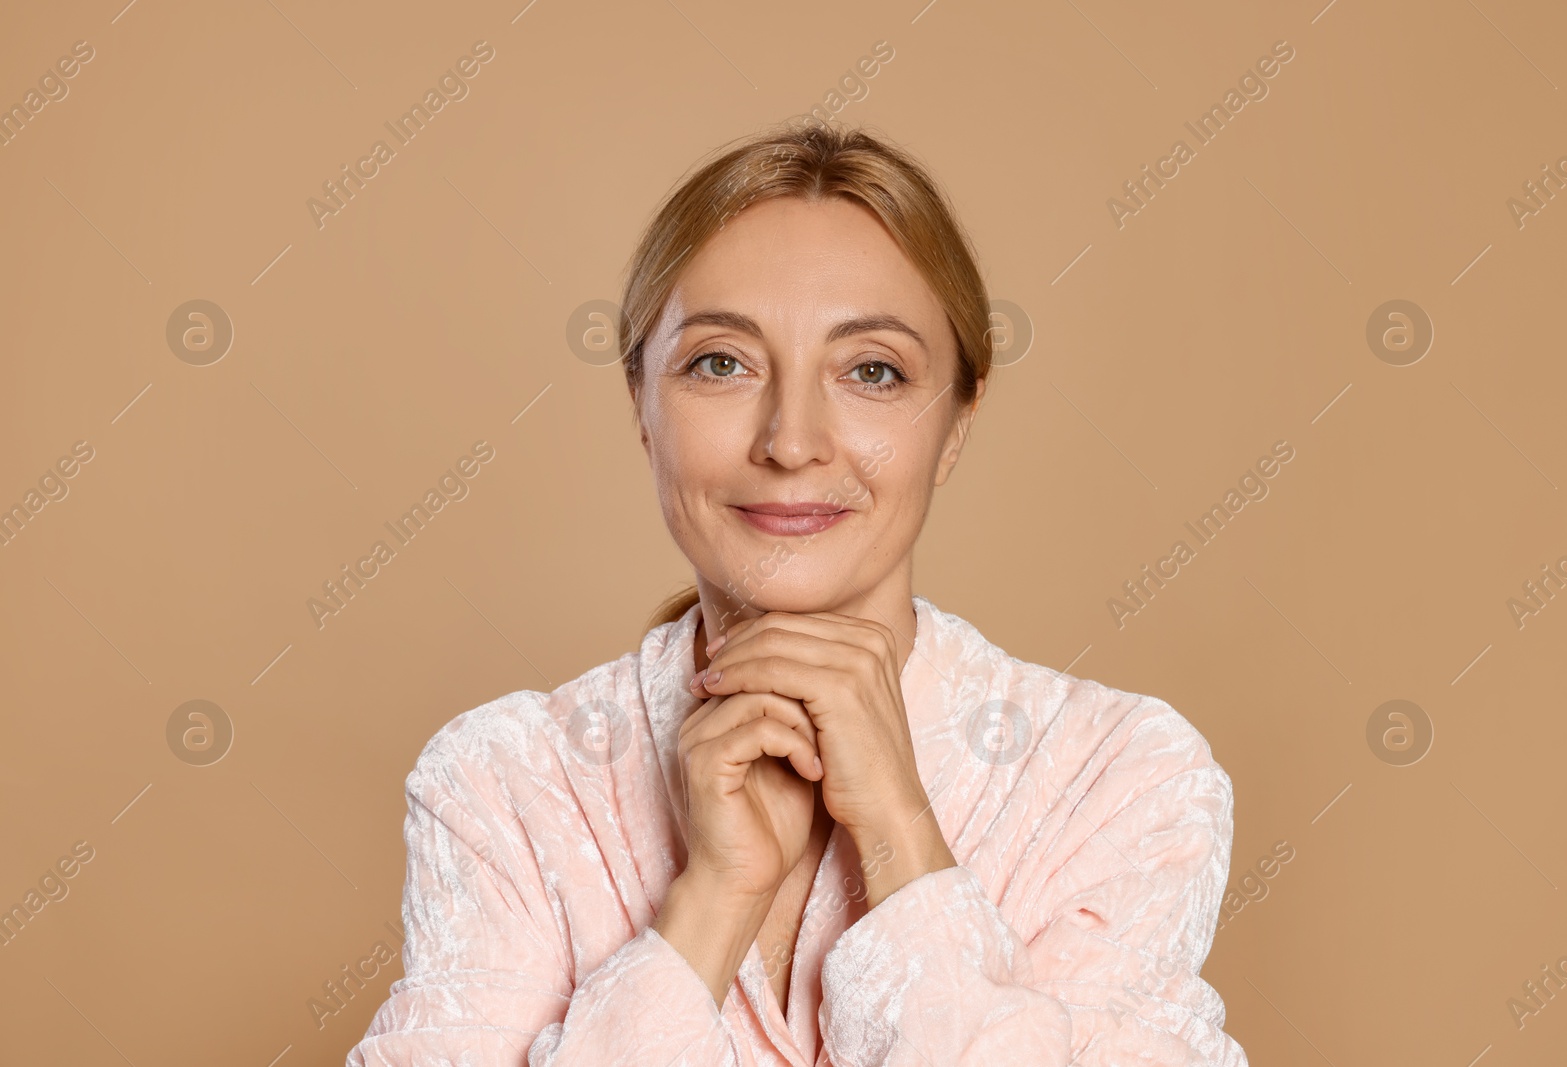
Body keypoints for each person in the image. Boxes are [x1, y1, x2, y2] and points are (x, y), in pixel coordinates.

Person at [348, 121, 1249, 1066]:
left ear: (957, 422)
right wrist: (709, 907)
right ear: (640, 406)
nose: (790, 440)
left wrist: (903, 840)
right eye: (720, 363)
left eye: (872, 371)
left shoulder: (1121, 779)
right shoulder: (504, 784)